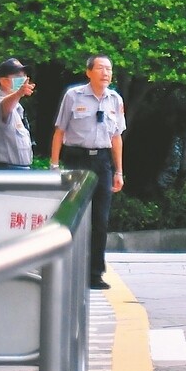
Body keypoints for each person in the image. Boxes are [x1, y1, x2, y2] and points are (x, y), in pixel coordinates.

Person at [52, 54, 126, 291]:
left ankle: (95, 274)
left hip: (103, 162)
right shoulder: (73, 96)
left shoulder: (115, 99)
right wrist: (54, 165)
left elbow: (117, 138)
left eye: (109, 69)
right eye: (101, 68)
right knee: (73, 216)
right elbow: (59, 131)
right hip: (76, 159)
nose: (106, 73)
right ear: (89, 72)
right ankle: (66, 270)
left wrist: (119, 171)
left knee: (100, 220)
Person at [0, 57, 36, 170]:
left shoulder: (17, 106)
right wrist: (18, 93)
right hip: (4, 170)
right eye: (17, 76)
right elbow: (4, 106)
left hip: (18, 170)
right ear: (3, 81)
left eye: (24, 76)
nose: (23, 79)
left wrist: (18, 95)